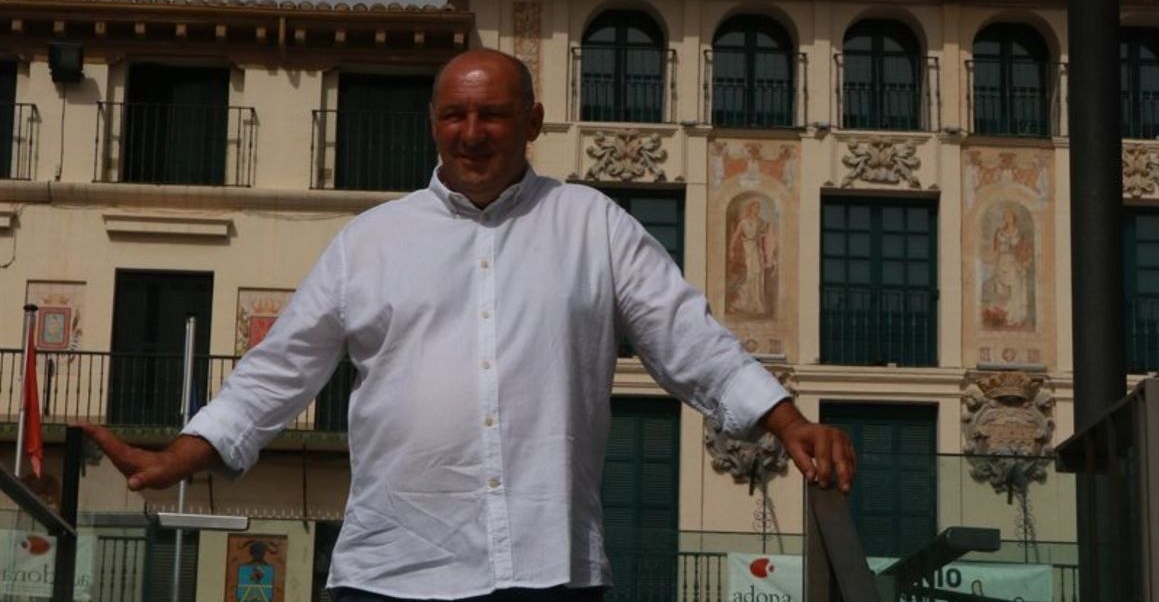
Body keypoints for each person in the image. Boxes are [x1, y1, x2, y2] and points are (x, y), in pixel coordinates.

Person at [82, 49, 856, 602]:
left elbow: (686, 334)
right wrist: (188, 450)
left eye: (493, 113)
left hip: (550, 571)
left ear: (533, 122)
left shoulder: (593, 225)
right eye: (455, 113)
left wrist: (785, 420)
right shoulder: (371, 240)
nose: (472, 130)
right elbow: (280, 366)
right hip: (392, 572)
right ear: (433, 123)